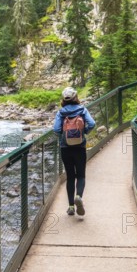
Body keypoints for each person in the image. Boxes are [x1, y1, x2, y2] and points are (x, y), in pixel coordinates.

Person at [53, 87, 95, 216]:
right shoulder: (82, 110)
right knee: (81, 175)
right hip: (80, 147)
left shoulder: (61, 112)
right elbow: (92, 123)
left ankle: (71, 206)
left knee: (70, 177)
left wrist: (63, 136)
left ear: (64, 99)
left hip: (65, 148)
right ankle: (79, 196)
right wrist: (84, 133)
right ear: (75, 97)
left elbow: (56, 129)